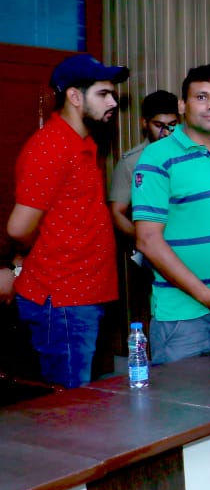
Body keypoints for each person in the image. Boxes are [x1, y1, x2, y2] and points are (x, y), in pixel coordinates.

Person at [7, 53, 127, 387]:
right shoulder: (52, 146)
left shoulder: (81, 142)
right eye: (103, 94)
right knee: (69, 406)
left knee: (79, 401)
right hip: (63, 300)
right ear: (74, 96)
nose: (113, 102)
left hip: (80, 298)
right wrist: (32, 259)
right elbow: (19, 228)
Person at [133, 64, 210, 364]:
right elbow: (147, 240)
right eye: (202, 97)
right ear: (182, 106)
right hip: (183, 318)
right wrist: (204, 295)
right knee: (185, 394)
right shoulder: (157, 157)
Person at [109, 90, 180, 238]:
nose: (166, 133)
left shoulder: (192, 156)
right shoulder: (131, 162)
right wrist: (147, 240)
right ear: (144, 123)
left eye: (172, 125)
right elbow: (117, 214)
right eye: (158, 125)